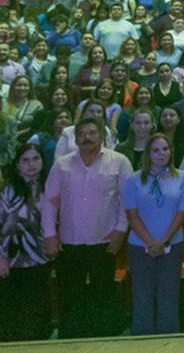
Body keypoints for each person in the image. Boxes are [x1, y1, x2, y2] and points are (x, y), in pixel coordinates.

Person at [41, 117, 131, 337]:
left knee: (103, 294)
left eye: (92, 133)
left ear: (102, 136)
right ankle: (72, 340)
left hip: (105, 240)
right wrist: (50, 234)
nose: (87, 137)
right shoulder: (62, 165)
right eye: (82, 134)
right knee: (71, 295)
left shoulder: (119, 162)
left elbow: (128, 200)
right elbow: (50, 202)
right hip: (69, 241)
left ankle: (104, 339)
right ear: (75, 138)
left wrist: (121, 230)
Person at [122, 133, 184, 335]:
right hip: (140, 246)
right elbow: (132, 216)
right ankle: (142, 343)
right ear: (148, 154)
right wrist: (151, 243)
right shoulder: (133, 180)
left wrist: (164, 241)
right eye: (156, 150)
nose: (161, 154)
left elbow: (182, 212)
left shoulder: (183, 177)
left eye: (165, 149)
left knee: (169, 296)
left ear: (171, 151)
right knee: (142, 297)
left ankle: (168, 342)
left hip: (172, 245)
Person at [0, 142, 53, 341]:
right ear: (17, 164)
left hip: (40, 256)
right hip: (10, 259)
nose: (31, 164)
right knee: (11, 310)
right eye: (25, 160)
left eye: (36, 159)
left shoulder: (50, 186)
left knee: (37, 308)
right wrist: (1, 256)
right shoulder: (6, 190)